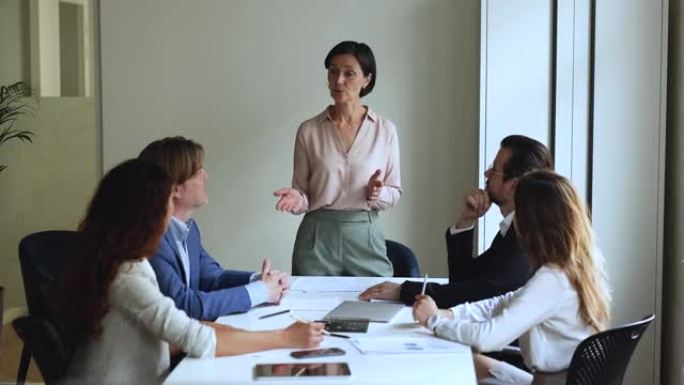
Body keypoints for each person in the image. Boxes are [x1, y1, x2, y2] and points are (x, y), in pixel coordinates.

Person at [59, 159, 324, 385]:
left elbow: (178, 326)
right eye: (166, 204)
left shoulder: (121, 262)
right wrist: (285, 337)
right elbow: (196, 340)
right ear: (148, 214)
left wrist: (236, 332)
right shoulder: (126, 278)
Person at [412, 170, 611, 385]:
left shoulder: (553, 279)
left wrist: (434, 321)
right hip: (557, 379)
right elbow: (505, 302)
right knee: (467, 363)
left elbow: (487, 337)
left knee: (449, 366)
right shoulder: (581, 264)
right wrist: (448, 314)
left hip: (549, 382)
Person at [360, 135, 553, 307]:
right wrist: (465, 221)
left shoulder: (527, 237)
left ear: (514, 184)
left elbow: (477, 295)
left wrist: (403, 291)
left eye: (494, 170)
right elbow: (463, 281)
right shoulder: (515, 227)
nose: (486, 174)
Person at [273, 40, 402, 277]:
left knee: (376, 304)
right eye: (333, 71)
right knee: (311, 310)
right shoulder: (309, 130)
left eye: (349, 73)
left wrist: (377, 193)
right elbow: (303, 195)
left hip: (365, 233)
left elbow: (394, 192)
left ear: (367, 79)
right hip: (317, 236)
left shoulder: (385, 130)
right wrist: (297, 198)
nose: (338, 80)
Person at [139, 137, 290, 321]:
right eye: (198, 171)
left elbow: (213, 278)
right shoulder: (150, 240)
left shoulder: (189, 228)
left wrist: (260, 280)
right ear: (175, 189)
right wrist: (260, 292)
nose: (206, 176)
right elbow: (184, 306)